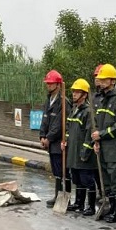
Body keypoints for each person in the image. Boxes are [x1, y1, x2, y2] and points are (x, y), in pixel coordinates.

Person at [92, 64, 116, 223]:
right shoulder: (101, 100)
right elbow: (97, 122)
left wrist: (101, 135)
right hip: (103, 149)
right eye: (99, 79)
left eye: (103, 79)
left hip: (115, 149)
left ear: (112, 81)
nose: (100, 82)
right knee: (107, 182)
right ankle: (110, 209)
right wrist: (95, 140)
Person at [64, 79, 98, 216]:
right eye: (73, 92)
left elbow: (89, 134)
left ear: (84, 95)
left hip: (83, 155)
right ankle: (78, 202)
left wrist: (85, 152)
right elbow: (69, 128)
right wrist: (65, 140)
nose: (74, 94)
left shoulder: (88, 112)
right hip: (73, 152)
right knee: (77, 179)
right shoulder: (74, 110)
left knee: (87, 180)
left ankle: (90, 205)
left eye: (77, 92)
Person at [39, 69, 70, 208]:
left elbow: (59, 124)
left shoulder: (63, 102)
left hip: (58, 142)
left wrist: (49, 138)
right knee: (56, 171)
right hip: (50, 143)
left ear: (58, 85)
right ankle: (57, 195)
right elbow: (44, 120)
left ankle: (65, 196)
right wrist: (42, 136)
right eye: (48, 83)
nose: (48, 86)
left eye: (51, 84)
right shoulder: (48, 101)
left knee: (62, 170)